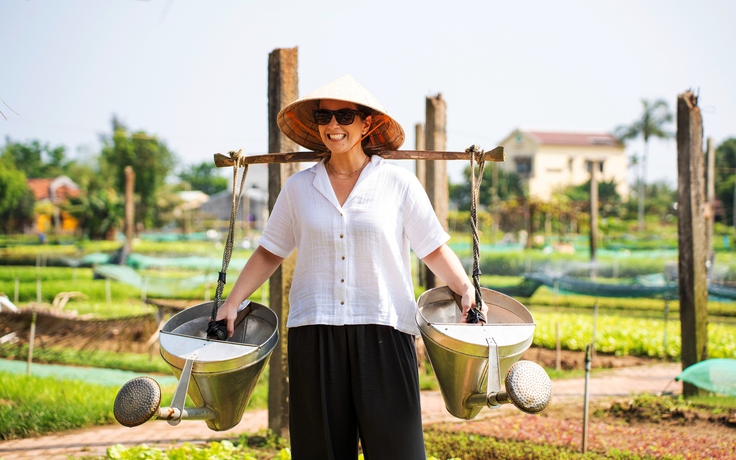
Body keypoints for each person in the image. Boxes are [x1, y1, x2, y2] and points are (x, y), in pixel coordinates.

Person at [216, 74, 486, 460]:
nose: (333, 126)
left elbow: (433, 247)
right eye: (324, 118)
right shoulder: (298, 188)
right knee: (320, 452)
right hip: (315, 333)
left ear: (367, 124)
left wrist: (464, 287)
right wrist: (232, 301)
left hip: (385, 330)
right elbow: (269, 251)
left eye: (344, 116)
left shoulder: (398, 183)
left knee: (399, 452)